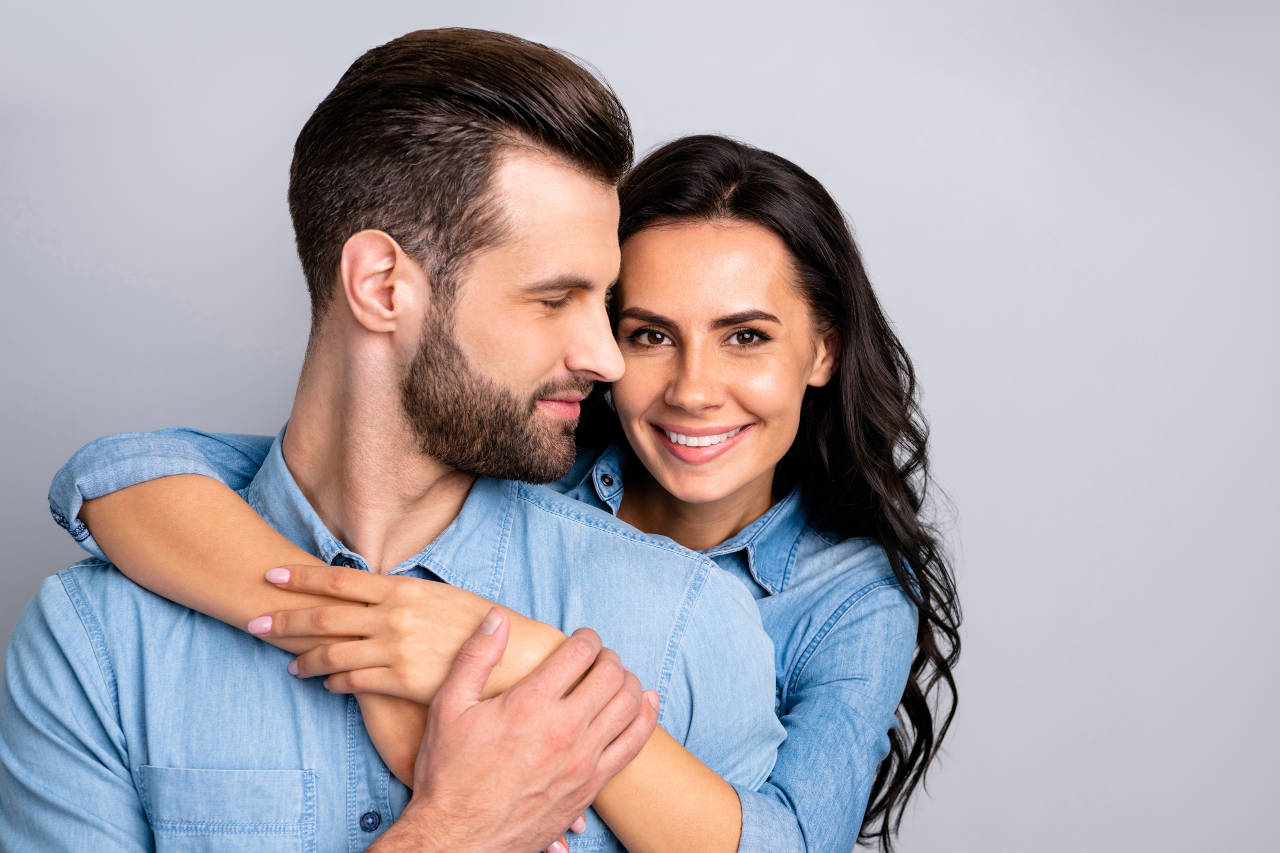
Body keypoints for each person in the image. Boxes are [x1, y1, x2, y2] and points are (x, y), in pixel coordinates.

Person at [37, 135, 962, 851]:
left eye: (747, 337)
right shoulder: (525, 457)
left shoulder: (847, 598)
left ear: (825, 349)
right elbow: (123, 475)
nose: (692, 388)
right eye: (646, 333)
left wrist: (519, 657)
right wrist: (367, 629)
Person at [0, 30, 788, 853]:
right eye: (555, 300)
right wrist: (455, 832)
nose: (606, 355)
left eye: (604, 301)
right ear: (381, 286)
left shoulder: (685, 621)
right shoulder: (97, 642)